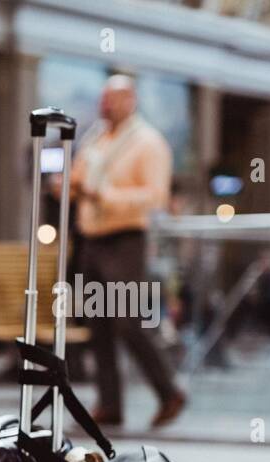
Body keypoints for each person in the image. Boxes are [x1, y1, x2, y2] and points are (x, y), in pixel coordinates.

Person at [70, 74, 186, 428]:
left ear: (131, 100)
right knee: (98, 325)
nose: (105, 105)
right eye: (103, 98)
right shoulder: (95, 138)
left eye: (113, 98)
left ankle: (169, 392)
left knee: (127, 323)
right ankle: (110, 404)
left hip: (125, 241)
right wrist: (70, 187)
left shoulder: (149, 143)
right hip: (92, 240)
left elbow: (155, 196)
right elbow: (80, 180)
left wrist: (102, 195)